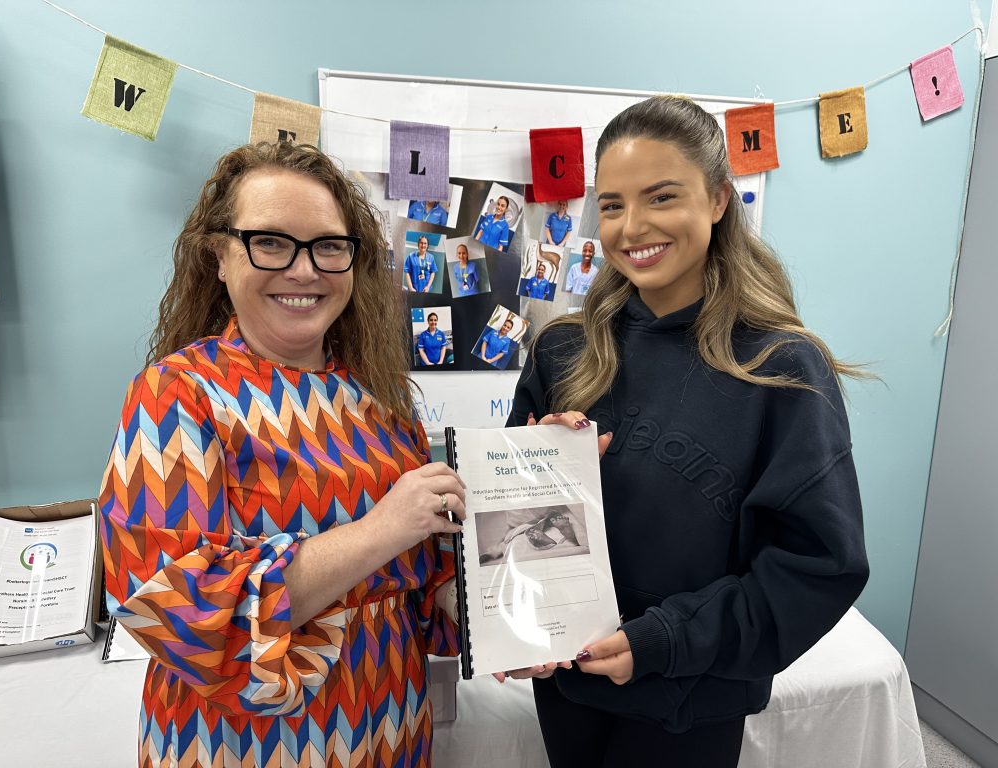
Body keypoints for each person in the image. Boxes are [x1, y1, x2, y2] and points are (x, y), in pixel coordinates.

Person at [506, 95, 870, 766]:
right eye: (611, 204)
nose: (631, 226)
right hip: (569, 691)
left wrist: (665, 641)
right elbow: (512, 529)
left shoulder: (781, 368)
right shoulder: (562, 349)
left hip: (687, 704)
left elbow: (818, 569)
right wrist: (538, 465)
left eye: (661, 197)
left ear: (718, 200)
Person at [98, 142, 467, 767]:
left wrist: (542, 488)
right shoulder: (177, 393)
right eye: (270, 242)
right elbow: (171, 602)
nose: (305, 271)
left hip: (390, 720)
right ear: (219, 255)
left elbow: (430, 591)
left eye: (328, 246)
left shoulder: (379, 396)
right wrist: (383, 529)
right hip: (245, 740)